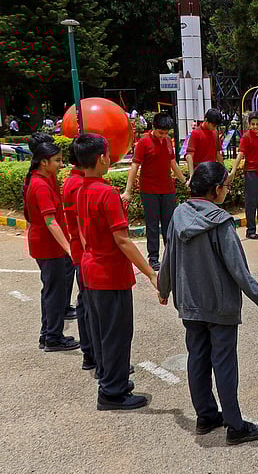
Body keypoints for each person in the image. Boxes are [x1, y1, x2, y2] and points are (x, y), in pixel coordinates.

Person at [157, 161, 258, 445]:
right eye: (227, 186)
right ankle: (234, 425)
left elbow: (168, 256)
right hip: (220, 307)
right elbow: (239, 271)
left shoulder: (178, 214)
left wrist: (164, 288)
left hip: (190, 305)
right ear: (217, 189)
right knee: (224, 364)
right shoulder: (221, 222)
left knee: (197, 358)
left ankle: (205, 416)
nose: (227, 191)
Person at [73, 133, 158, 410]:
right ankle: (112, 391)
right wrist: (150, 272)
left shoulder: (81, 188)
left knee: (102, 331)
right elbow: (122, 240)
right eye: (108, 154)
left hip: (91, 268)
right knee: (117, 334)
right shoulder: (106, 192)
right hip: (109, 272)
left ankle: (112, 379)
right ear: (100, 158)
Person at [24, 134, 79, 352]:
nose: (61, 164)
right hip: (49, 247)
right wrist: (69, 248)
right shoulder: (40, 185)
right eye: (57, 160)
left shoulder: (44, 178)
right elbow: (50, 221)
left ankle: (47, 334)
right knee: (55, 292)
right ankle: (53, 337)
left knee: (51, 290)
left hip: (48, 245)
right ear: (44, 162)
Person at [122, 113, 187, 270]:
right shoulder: (143, 143)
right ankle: (153, 258)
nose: (163, 136)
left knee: (169, 224)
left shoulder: (167, 142)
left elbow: (172, 163)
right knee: (152, 224)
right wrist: (128, 190)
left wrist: (185, 181)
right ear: (153, 128)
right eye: (160, 133)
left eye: (166, 133)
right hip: (149, 190)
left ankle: (171, 255)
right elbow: (135, 166)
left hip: (167, 189)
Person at [62, 136, 97, 370]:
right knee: (90, 307)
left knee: (86, 304)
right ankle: (92, 354)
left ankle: (92, 354)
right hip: (85, 254)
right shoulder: (78, 185)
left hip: (82, 253)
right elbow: (82, 225)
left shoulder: (73, 182)